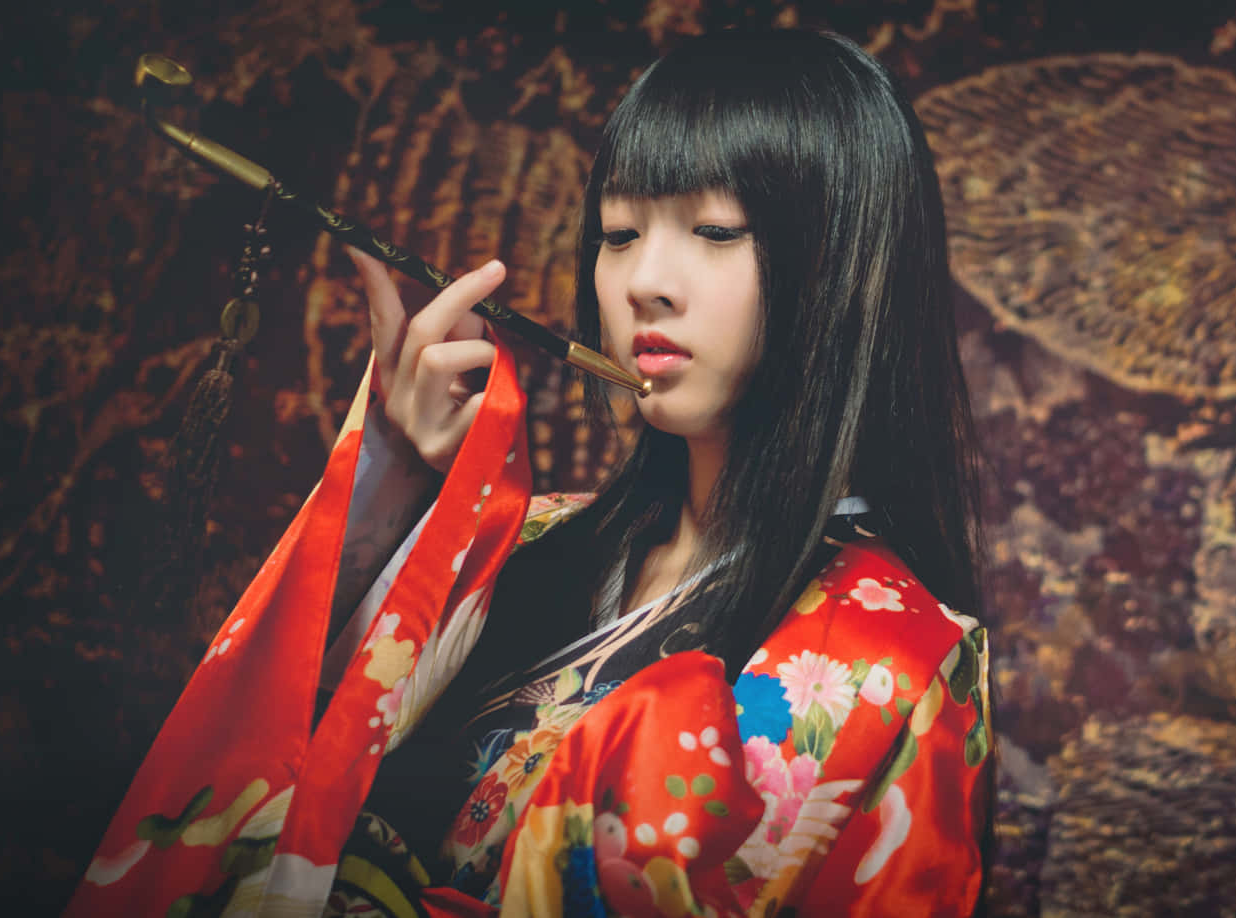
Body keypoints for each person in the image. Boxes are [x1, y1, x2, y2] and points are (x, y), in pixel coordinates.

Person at [69, 27, 991, 918]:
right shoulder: (534, 537)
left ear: (844, 266)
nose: (642, 283)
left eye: (715, 229)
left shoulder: (897, 662)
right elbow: (292, 773)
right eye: (620, 233)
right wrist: (402, 478)